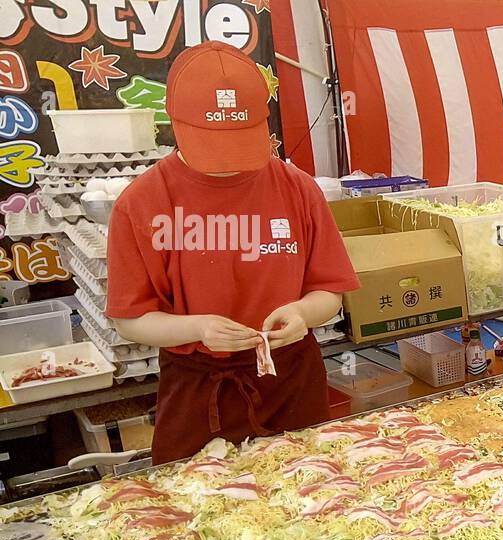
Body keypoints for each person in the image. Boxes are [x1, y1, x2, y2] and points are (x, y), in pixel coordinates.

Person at [108, 42, 360, 464]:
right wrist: (197, 327)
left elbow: (329, 292)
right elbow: (129, 319)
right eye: (212, 144)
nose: (228, 163)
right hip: (198, 386)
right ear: (175, 124)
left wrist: (303, 313)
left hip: (290, 378)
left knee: (309, 487)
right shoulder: (142, 203)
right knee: (196, 497)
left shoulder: (297, 188)